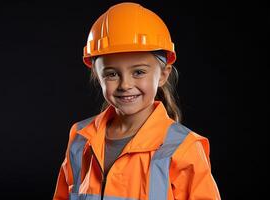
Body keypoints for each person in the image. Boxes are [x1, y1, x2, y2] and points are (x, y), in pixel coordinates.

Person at [53, 2, 221, 200]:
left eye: (139, 72)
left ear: (163, 75)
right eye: (112, 74)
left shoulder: (184, 148)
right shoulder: (81, 139)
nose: (125, 84)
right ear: (98, 77)